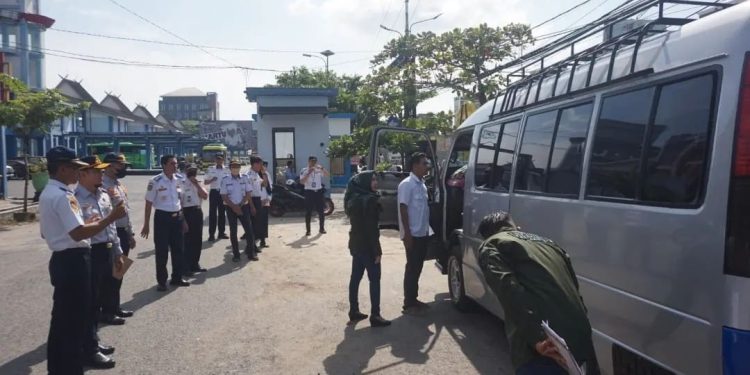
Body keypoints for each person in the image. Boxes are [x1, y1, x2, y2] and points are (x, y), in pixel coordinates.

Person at [477, 212, 600, 375]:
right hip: (581, 340)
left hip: (546, 347)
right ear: (516, 227)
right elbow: (574, 292)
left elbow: (510, 290)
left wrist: (538, 337)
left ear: (486, 235)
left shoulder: (491, 245)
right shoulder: (551, 244)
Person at [39, 146, 126, 374]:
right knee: (72, 321)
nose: (77, 173)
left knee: (64, 321)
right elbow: (77, 233)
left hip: (66, 259)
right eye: (75, 168)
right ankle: (69, 367)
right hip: (73, 260)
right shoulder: (62, 196)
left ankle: (62, 366)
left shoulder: (51, 192)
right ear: (63, 168)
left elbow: (49, 231)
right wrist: (110, 219)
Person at [75, 155, 126, 369]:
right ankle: (89, 349)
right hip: (90, 252)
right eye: (96, 171)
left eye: (101, 171)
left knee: (100, 299)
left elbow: (111, 227)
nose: (101, 174)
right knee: (90, 302)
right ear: (83, 174)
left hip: (106, 249)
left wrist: (117, 251)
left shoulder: (103, 194)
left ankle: (93, 341)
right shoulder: (75, 197)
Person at [344, 171, 391, 327]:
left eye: (376, 179)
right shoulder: (370, 201)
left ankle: (354, 311)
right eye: (372, 180)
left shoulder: (352, 199)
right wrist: (377, 251)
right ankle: (375, 315)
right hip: (367, 247)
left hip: (355, 244)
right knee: (375, 280)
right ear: (364, 183)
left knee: (355, 278)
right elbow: (371, 230)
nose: (375, 182)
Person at [141, 155, 190, 292]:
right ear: (163, 165)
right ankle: (162, 282)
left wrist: (184, 220)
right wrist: (146, 224)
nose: (175, 166)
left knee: (178, 249)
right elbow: (148, 203)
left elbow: (181, 201)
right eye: (172, 164)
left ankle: (177, 278)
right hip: (162, 218)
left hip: (178, 218)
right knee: (162, 251)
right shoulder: (155, 181)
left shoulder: (180, 179)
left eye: (176, 163)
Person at [397, 152, 433, 315]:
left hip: (423, 232)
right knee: (412, 267)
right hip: (413, 234)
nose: (427, 166)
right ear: (415, 165)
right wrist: (407, 234)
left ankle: (413, 298)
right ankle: (408, 303)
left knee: (417, 267)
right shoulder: (407, 184)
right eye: (424, 163)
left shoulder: (422, 184)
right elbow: (403, 208)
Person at [101, 153, 135, 320]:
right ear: (108, 166)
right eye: (120, 166)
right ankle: (107, 311)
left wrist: (130, 233)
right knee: (110, 275)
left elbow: (125, 211)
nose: (123, 169)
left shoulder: (118, 184)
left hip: (122, 231)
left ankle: (115, 307)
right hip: (110, 234)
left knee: (119, 272)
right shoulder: (101, 185)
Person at [221, 159, 258, 262]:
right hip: (230, 207)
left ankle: (251, 253)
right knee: (233, 232)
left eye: (237, 166)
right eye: (233, 167)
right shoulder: (225, 179)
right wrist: (234, 207)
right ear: (230, 168)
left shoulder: (245, 178)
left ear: (240, 168)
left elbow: (248, 193)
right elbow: (224, 196)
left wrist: (241, 205)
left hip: (243, 207)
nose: (235, 168)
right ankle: (236, 255)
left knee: (249, 231)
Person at [182, 164, 209, 273]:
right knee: (187, 241)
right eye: (190, 171)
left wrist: (196, 185)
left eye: (194, 171)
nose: (193, 173)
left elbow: (205, 196)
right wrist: (183, 219)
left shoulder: (199, 182)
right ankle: (186, 267)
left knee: (197, 240)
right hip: (186, 212)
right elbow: (179, 202)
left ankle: (195, 264)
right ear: (185, 171)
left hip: (197, 211)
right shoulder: (181, 183)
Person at [300, 155, 329, 236]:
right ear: (308, 161)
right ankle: (308, 230)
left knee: (321, 211)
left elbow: (327, 175)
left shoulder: (318, 170)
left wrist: (322, 168)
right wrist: (309, 173)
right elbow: (302, 182)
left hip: (318, 192)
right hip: (309, 192)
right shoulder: (304, 170)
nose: (313, 163)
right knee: (308, 212)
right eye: (312, 161)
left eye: (315, 161)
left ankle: (322, 228)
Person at [204, 154, 229, 242]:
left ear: (223, 160)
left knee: (222, 213)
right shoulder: (211, 169)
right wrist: (212, 180)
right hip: (214, 192)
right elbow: (205, 182)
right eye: (217, 159)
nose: (219, 161)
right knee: (212, 214)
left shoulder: (227, 169)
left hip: (223, 193)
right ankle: (211, 234)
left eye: (221, 159)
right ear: (215, 160)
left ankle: (221, 233)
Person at [248, 156, 270, 248]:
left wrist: (264, 173)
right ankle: (251, 247)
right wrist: (252, 206)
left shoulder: (257, 174)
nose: (261, 166)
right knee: (253, 225)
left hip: (258, 200)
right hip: (252, 200)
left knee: (259, 223)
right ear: (254, 164)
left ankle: (256, 245)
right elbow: (248, 193)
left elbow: (264, 184)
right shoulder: (248, 175)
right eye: (260, 164)